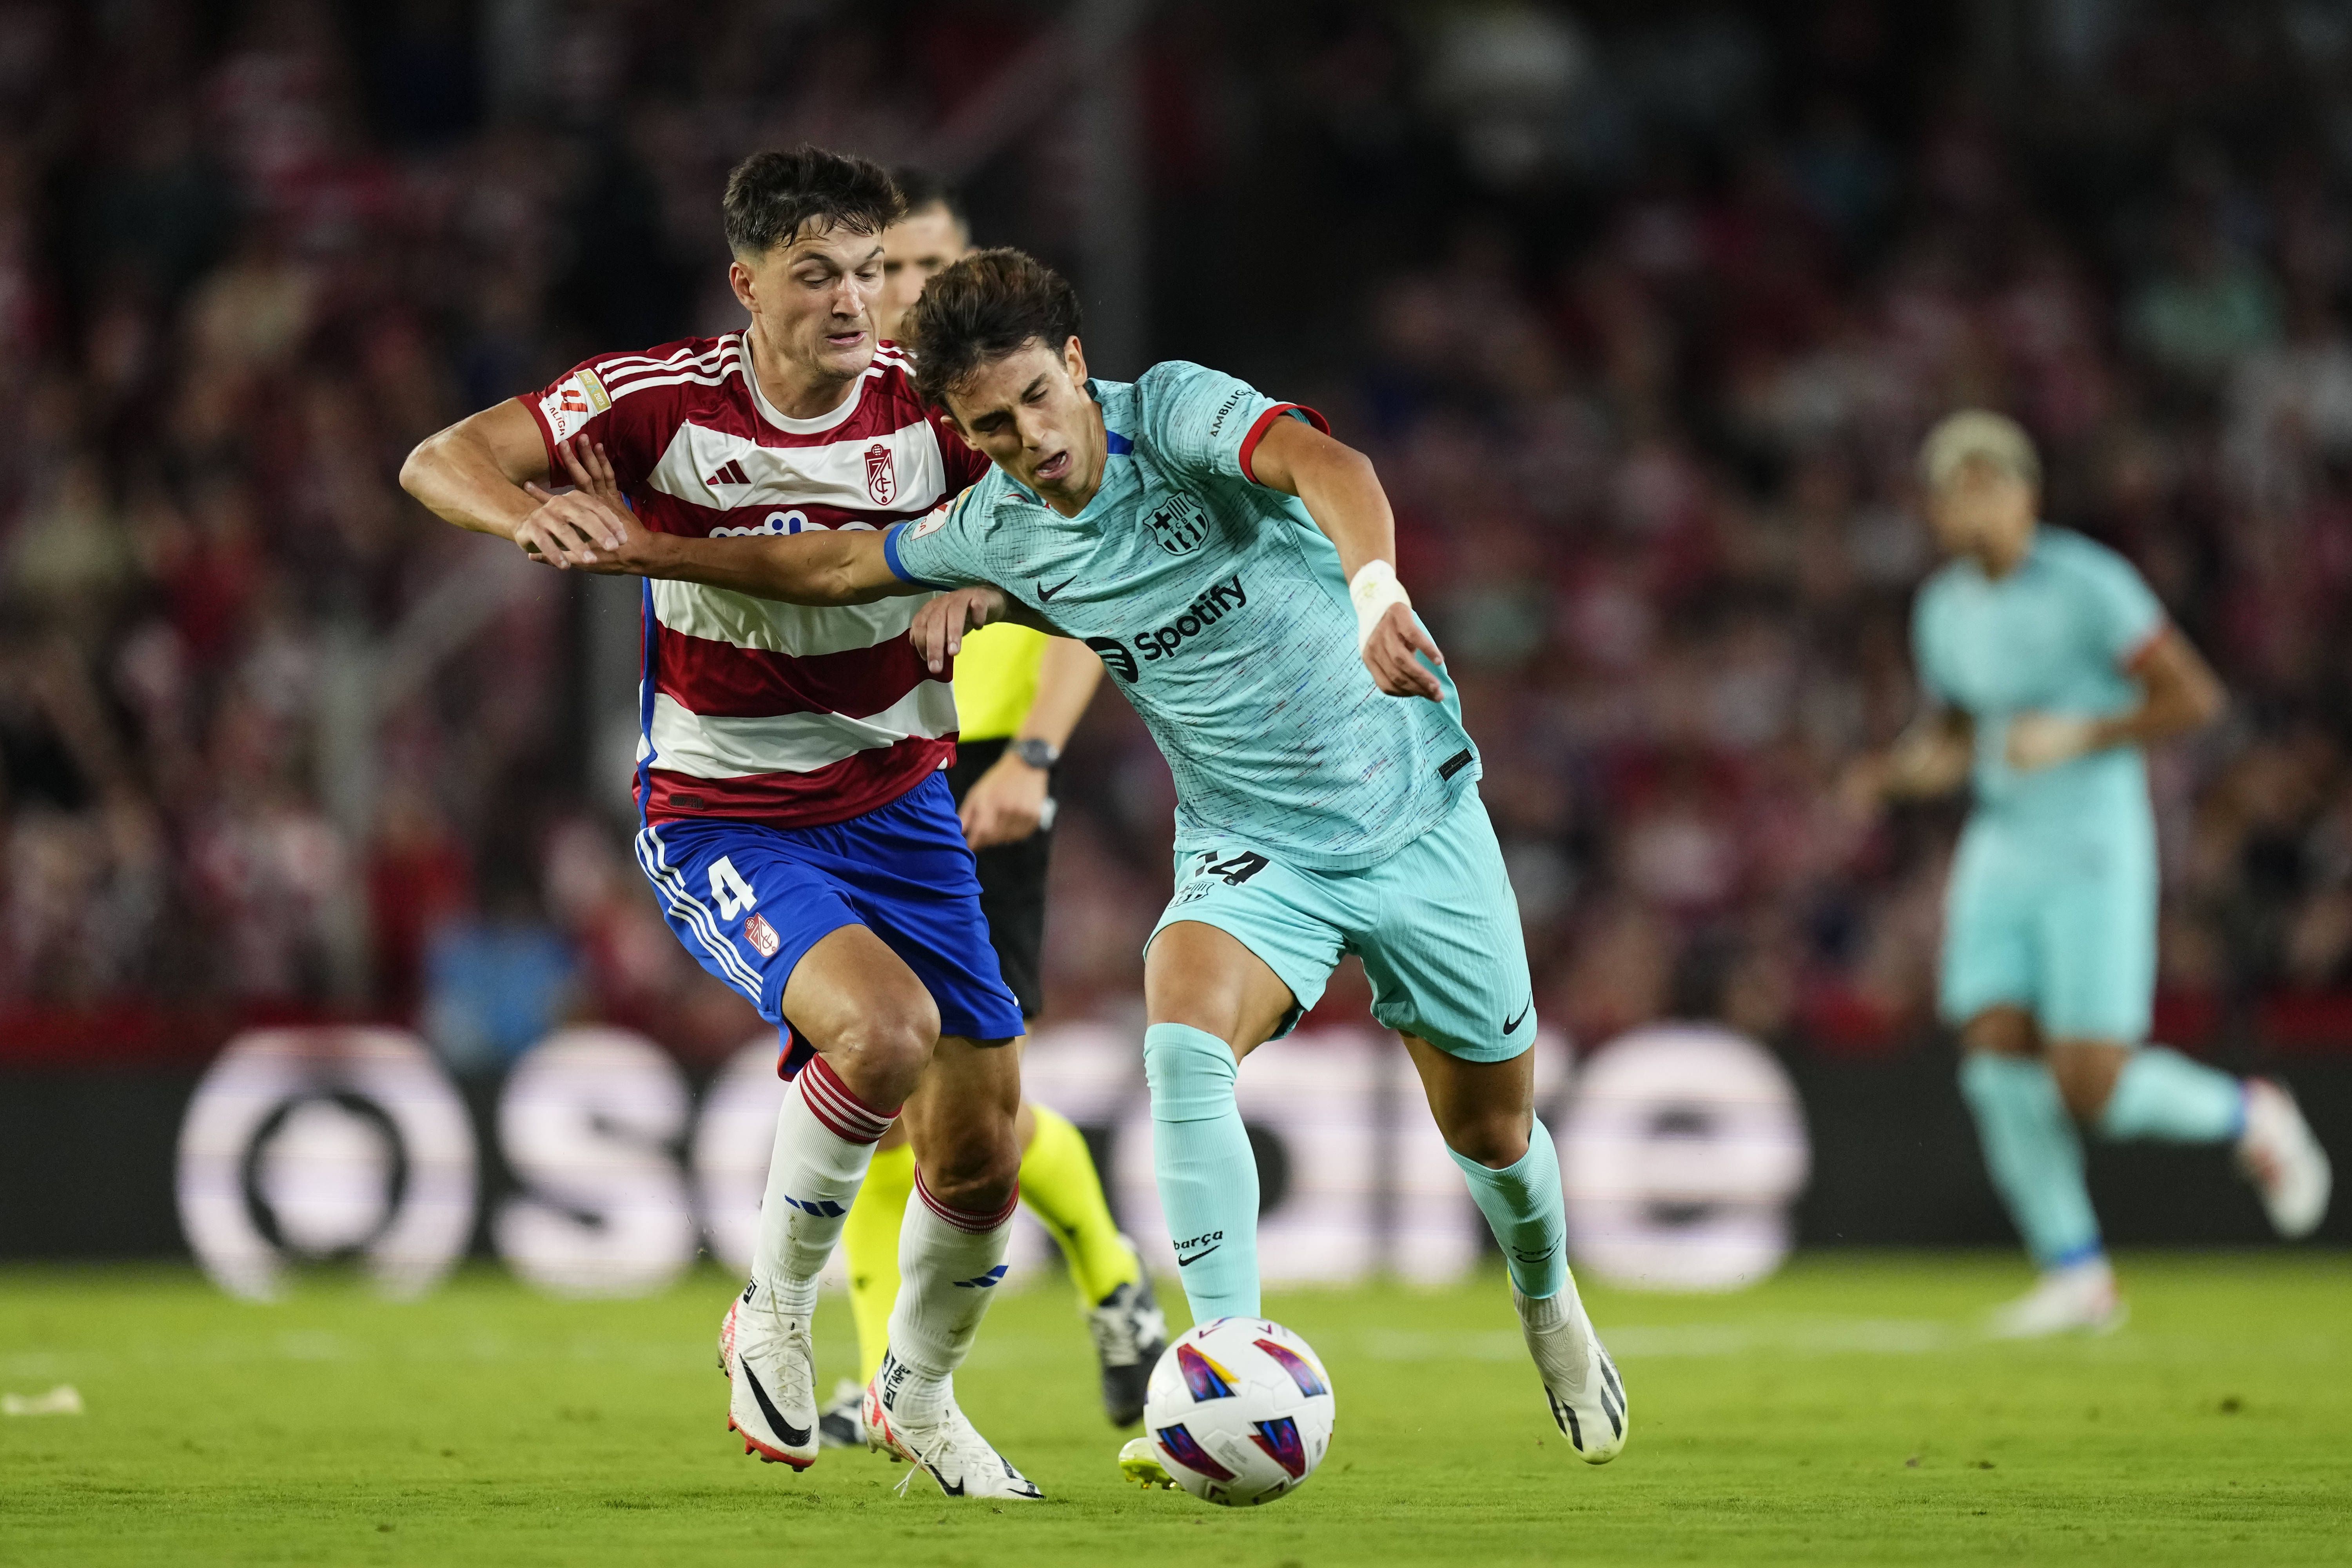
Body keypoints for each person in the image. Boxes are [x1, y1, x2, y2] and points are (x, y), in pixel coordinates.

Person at [528, 247, 1632, 1473]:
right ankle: (1227, 1371)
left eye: (1038, 404)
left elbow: (1331, 464)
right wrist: (647, 550)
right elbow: (831, 565)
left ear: (1076, 366)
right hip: (1253, 844)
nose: (1027, 443)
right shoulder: (997, 526)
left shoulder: (1175, 415)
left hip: (1416, 815)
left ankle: (1549, 1303)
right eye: (988, 429)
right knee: (1181, 1039)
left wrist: (1373, 590)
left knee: (1491, 1134)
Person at [398, 147, 1041, 1500]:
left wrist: (986, 590)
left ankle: (918, 1396)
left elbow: (1052, 522)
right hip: (729, 811)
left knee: (983, 1159)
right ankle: (775, 1312)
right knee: (883, 1034)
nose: (856, 302)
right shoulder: (655, 403)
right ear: (747, 283)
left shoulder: (927, 410)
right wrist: (534, 518)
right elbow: (438, 460)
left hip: (902, 799)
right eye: (818, 276)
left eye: (871, 271)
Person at [1849, 410, 2333, 1336]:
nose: (1972, 502)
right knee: (1991, 1051)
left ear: (2029, 493)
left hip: (2094, 844)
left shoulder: (2090, 584)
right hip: (2001, 842)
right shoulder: (1941, 609)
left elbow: (2194, 695)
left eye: (1990, 481)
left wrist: (2085, 731)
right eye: (1957, 486)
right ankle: (2077, 1271)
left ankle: (2251, 1112)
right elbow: (1952, 737)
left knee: (2091, 1084)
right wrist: (1892, 774)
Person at [820, 169, 1166, 1448]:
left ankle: (1091, 1287)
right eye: (886, 274)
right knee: (876, 1078)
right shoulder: (866, 436)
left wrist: (1032, 757)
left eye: (922, 271)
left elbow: (1102, 598)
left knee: (952, 1091)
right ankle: (916, 1375)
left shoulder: (1028, 430)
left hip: (981, 781)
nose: (902, 294)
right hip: (864, 773)